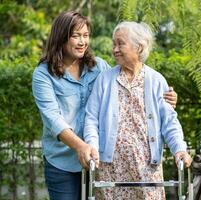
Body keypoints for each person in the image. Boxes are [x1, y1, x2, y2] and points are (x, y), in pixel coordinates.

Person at [32, 11, 178, 200]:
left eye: (85, 36)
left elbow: (126, 88)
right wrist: (81, 146)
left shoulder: (98, 67)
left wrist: (167, 98)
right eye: (76, 36)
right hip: (63, 162)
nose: (82, 42)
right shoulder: (43, 75)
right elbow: (53, 120)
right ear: (61, 37)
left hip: (99, 160)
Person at [84, 21, 192, 200]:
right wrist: (93, 148)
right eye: (114, 44)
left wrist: (179, 149)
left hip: (147, 168)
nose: (115, 49)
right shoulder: (104, 80)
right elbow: (91, 119)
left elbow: (169, 121)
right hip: (111, 168)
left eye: (120, 43)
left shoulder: (157, 81)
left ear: (139, 47)